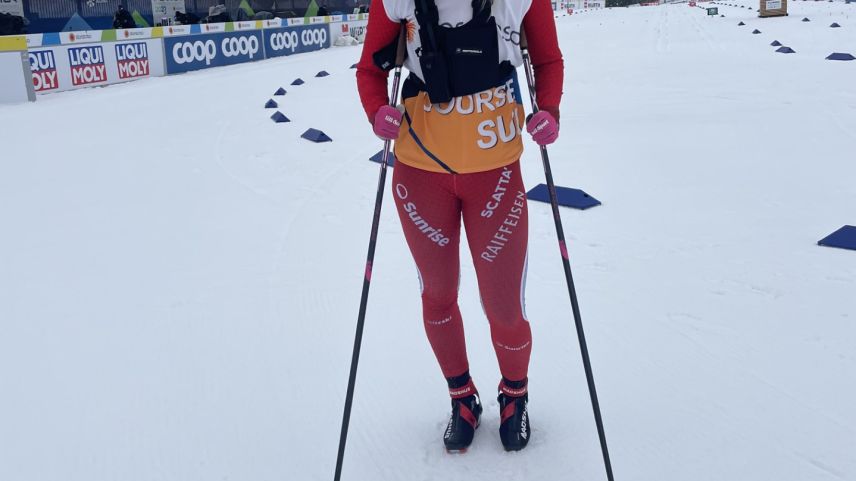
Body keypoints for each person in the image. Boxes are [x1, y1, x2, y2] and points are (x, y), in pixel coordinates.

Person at [356, 0, 562, 454]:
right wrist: (375, 112)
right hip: (420, 173)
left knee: (504, 307)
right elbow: (370, 71)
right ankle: (461, 397)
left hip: (496, 173)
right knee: (438, 295)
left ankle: (514, 395)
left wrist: (549, 111)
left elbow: (547, 60)